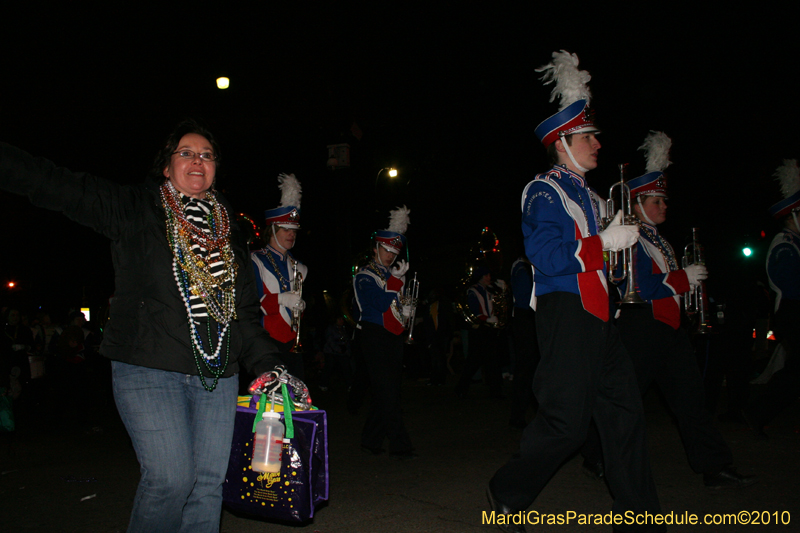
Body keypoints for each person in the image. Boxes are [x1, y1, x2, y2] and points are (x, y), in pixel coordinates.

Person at [0, 120, 297, 533]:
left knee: (208, 485)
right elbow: (54, 183)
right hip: (148, 369)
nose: (198, 160)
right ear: (166, 166)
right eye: (186, 153)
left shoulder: (230, 229)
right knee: (171, 479)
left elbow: (243, 312)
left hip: (217, 375)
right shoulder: (136, 207)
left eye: (207, 155)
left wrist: (269, 364)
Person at [486, 51, 663, 533]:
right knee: (565, 422)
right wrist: (603, 242)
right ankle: (508, 490)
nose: (597, 145)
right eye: (589, 137)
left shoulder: (597, 196)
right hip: (566, 312)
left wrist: (620, 255)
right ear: (562, 142)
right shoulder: (544, 189)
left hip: (603, 318)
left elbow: (605, 261)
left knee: (625, 413)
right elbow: (547, 253)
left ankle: (639, 514)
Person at [581, 131, 755, 489]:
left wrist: (686, 296)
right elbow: (640, 286)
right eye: (656, 201)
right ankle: (594, 453)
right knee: (623, 402)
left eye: (664, 200)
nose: (664, 207)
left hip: (668, 329)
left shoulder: (661, 240)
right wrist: (682, 280)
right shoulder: (630, 234)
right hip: (640, 328)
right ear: (639, 202)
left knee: (692, 401)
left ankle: (714, 466)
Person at [743, 159, 800, 437]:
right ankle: (757, 412)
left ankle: (758, 412)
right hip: (792, 311)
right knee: (794, 373)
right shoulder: (785, 244)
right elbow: (790, 283)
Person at [353, 206, 415, 458]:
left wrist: (406, 310)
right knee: (389, 393)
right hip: (372, 336)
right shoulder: (364, 274)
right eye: (387, 250)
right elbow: (378, 303)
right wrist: (396, 283)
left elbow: (392, 306)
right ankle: (400, 445)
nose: (390, 256)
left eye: (395, 251)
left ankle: (371, 439)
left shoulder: (392, 276)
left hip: (392, 336)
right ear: (376, 247)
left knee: (386, 391)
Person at [251, 173, 307, 379]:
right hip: (266, 342)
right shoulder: (255, 260)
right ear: (272, 229)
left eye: (294, 230)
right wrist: (282, 299)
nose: (291, 234)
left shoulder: (298, 267)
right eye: (285, 229)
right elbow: (252, 305)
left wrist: (301, 307)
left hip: (292, 342)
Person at [455, 267, 503, 399]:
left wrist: (503, 291)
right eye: (487, 275)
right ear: (481, 277)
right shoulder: (473, 291)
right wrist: (487, 319)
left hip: (490, 329)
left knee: (493, 362)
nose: (489, 278)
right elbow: (475, 312)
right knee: (473, 362)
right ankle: (461, 388)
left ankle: (496, 392)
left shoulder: (489, 290)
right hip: (480, 330)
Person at [508, 255, 539, 429]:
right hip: (526, 319)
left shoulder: (523, 266)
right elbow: (525, 299)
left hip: (528, 318)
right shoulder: (522, 267)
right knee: (527, 370)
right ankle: (518, 416)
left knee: (532, 370)